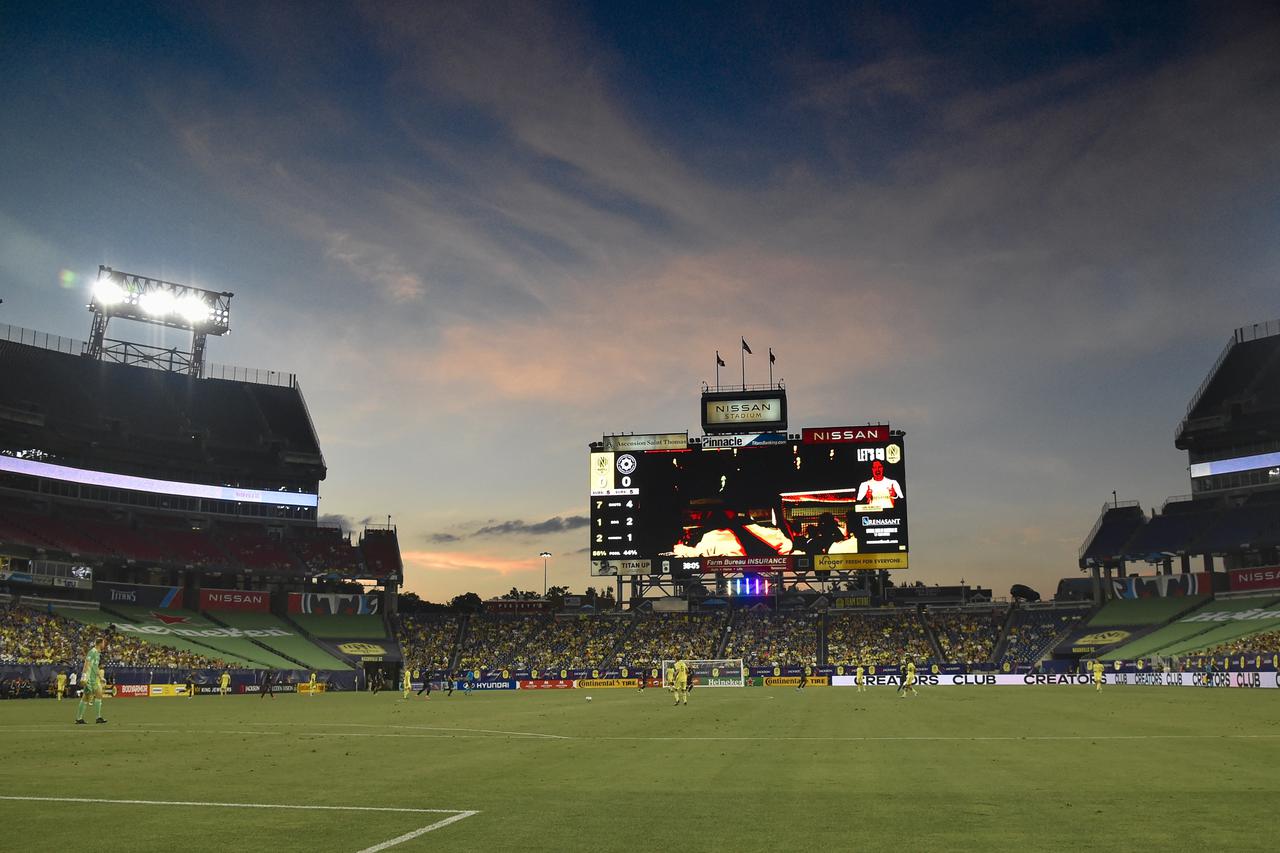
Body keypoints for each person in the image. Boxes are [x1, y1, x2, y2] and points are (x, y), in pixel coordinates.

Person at [75, 637, 107, 725]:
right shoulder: (92, 652)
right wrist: (84, 676)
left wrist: (100, 677)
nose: (104, 645)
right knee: (96, 695)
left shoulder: (97, 653)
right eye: (103, 643)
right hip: (90, 678)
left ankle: (80, 718)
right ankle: (97, 718)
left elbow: (95, 667)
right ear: (100, 643)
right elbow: (86, 664)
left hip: (94, 678)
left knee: (88, 697)